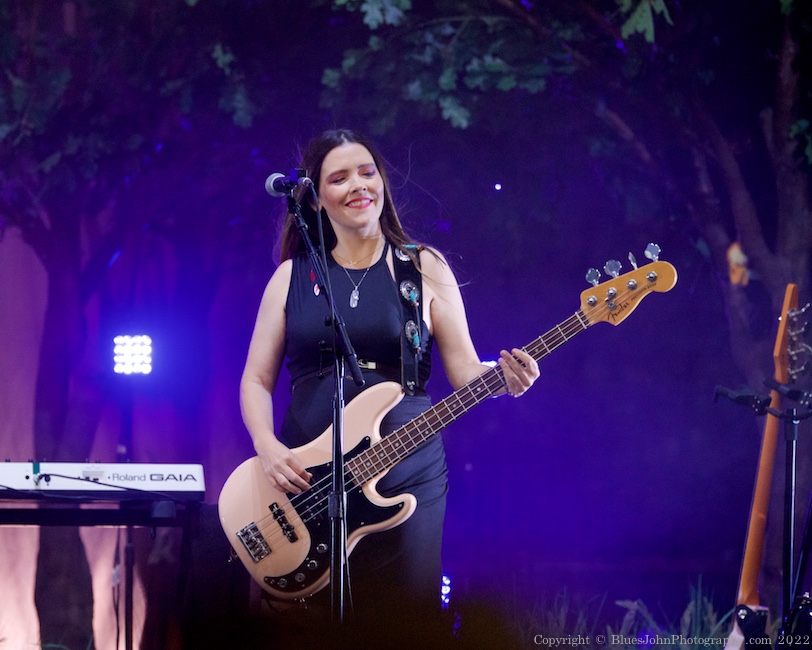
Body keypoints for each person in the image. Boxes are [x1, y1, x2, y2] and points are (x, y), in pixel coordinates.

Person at [238, 128, 539, 635]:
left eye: (367, 172)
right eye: (339, 177)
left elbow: (466, 369)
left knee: (405, 622)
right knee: (307, 630)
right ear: (315, 197)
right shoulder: (291, 277)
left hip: (407, 473)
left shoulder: (422, 266)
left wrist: (506, 376)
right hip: (311, 480)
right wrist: (266, 446)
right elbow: (256, 379)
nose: (359, 185)